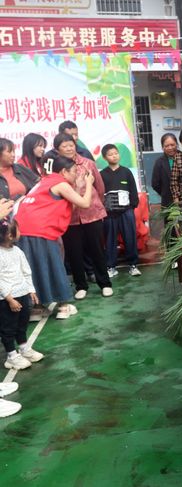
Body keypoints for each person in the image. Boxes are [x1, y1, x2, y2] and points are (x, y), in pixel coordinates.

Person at [15, 155, 95, 319]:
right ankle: (64, 306)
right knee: (54, 265)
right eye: (73, 171)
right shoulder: (60, 183)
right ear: (64, 171)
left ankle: (36, 308)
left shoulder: (43, 182)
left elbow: (67, 207)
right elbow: (85, 204)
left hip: (22, 231)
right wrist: (88, 184)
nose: (75, 175)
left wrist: (77, 186)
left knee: (33, 270)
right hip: (41, 230)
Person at [50, 133, 112, 299]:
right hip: (69, 218)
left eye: (71, 144)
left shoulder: (88, 163)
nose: (69, 148)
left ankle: (105, 283)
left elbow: (100, 188)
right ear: (57, 150)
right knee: (74, 253)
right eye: (65, 146)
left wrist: (96, 204)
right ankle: (80, 286)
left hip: (92, 214)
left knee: (97, 250)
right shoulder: (55, 169)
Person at [0, 219, 42, 371]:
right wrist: (9, 298)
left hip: (22, 294)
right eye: (17, 230)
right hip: (7, 299)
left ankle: (24, 348)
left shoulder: (18, 251)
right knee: (8, 328)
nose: (20, 232)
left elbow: (26, 271)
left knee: (22, 324)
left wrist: (31, 289)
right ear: (10, 236)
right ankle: (11, 356)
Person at [100, 144, 141, 277]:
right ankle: (111, 266)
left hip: (126, 211)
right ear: (105, 157)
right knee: (110, 240)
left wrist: (132, 206)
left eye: (116, 153)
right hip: (109, 214)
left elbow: (133, 190)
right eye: (110, 154)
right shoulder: (102, 174)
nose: (114, 156)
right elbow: (100, 193)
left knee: (130, 238)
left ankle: (133, 265)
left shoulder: (126, 172)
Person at [152, 133, 178, 210]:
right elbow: (155, 184)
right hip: (168, 202)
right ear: (163, 147)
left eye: (172, 145)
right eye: (167, 146)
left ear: (176, 144)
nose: (170, 148)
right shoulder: (159, 162)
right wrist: (164, 193)